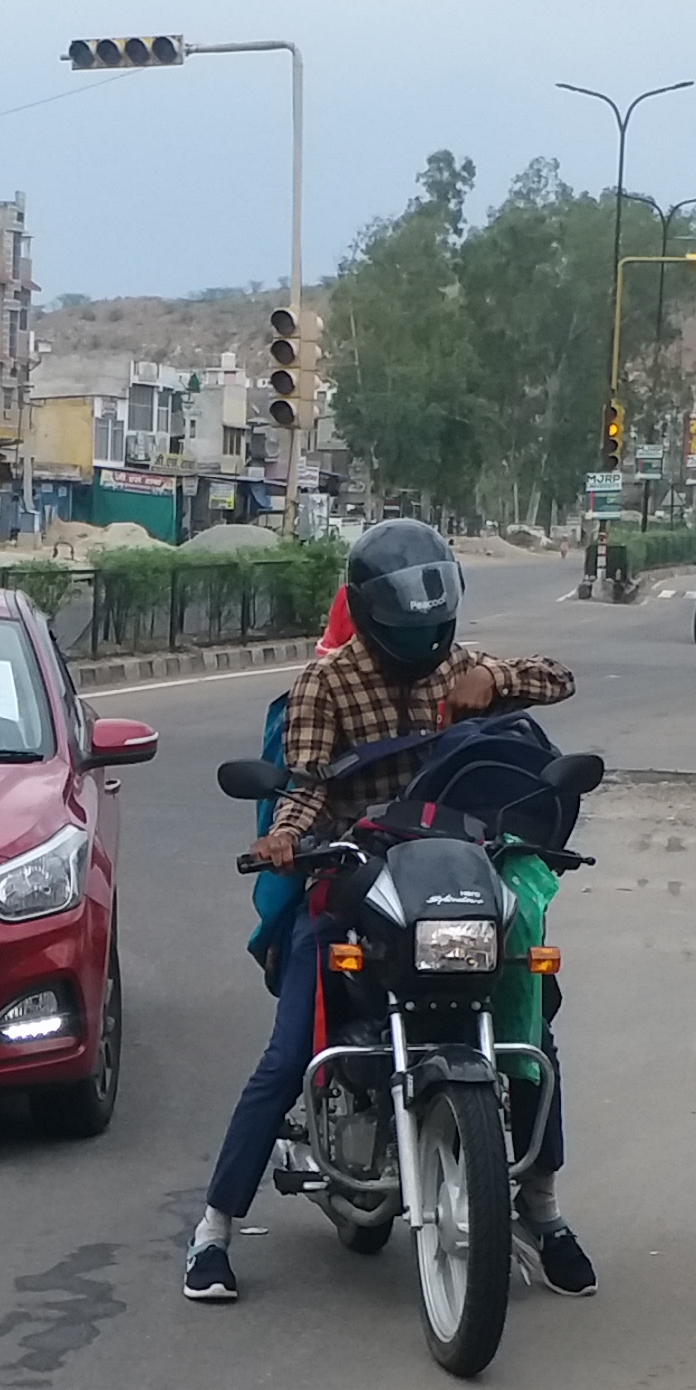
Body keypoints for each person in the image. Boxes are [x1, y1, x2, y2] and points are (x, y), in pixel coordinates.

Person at [188, 518, 586, 1304]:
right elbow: (303, 788)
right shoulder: (326, 683)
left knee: (529, 1028)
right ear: (370, 610)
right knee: (290, 1053)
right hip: (354, 875)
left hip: (453, 874)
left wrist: (496, 684)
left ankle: (543, 1209)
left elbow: (557, 676)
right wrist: (285, 841)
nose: (425, 631)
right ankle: (213, 1229)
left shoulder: (461, 666)